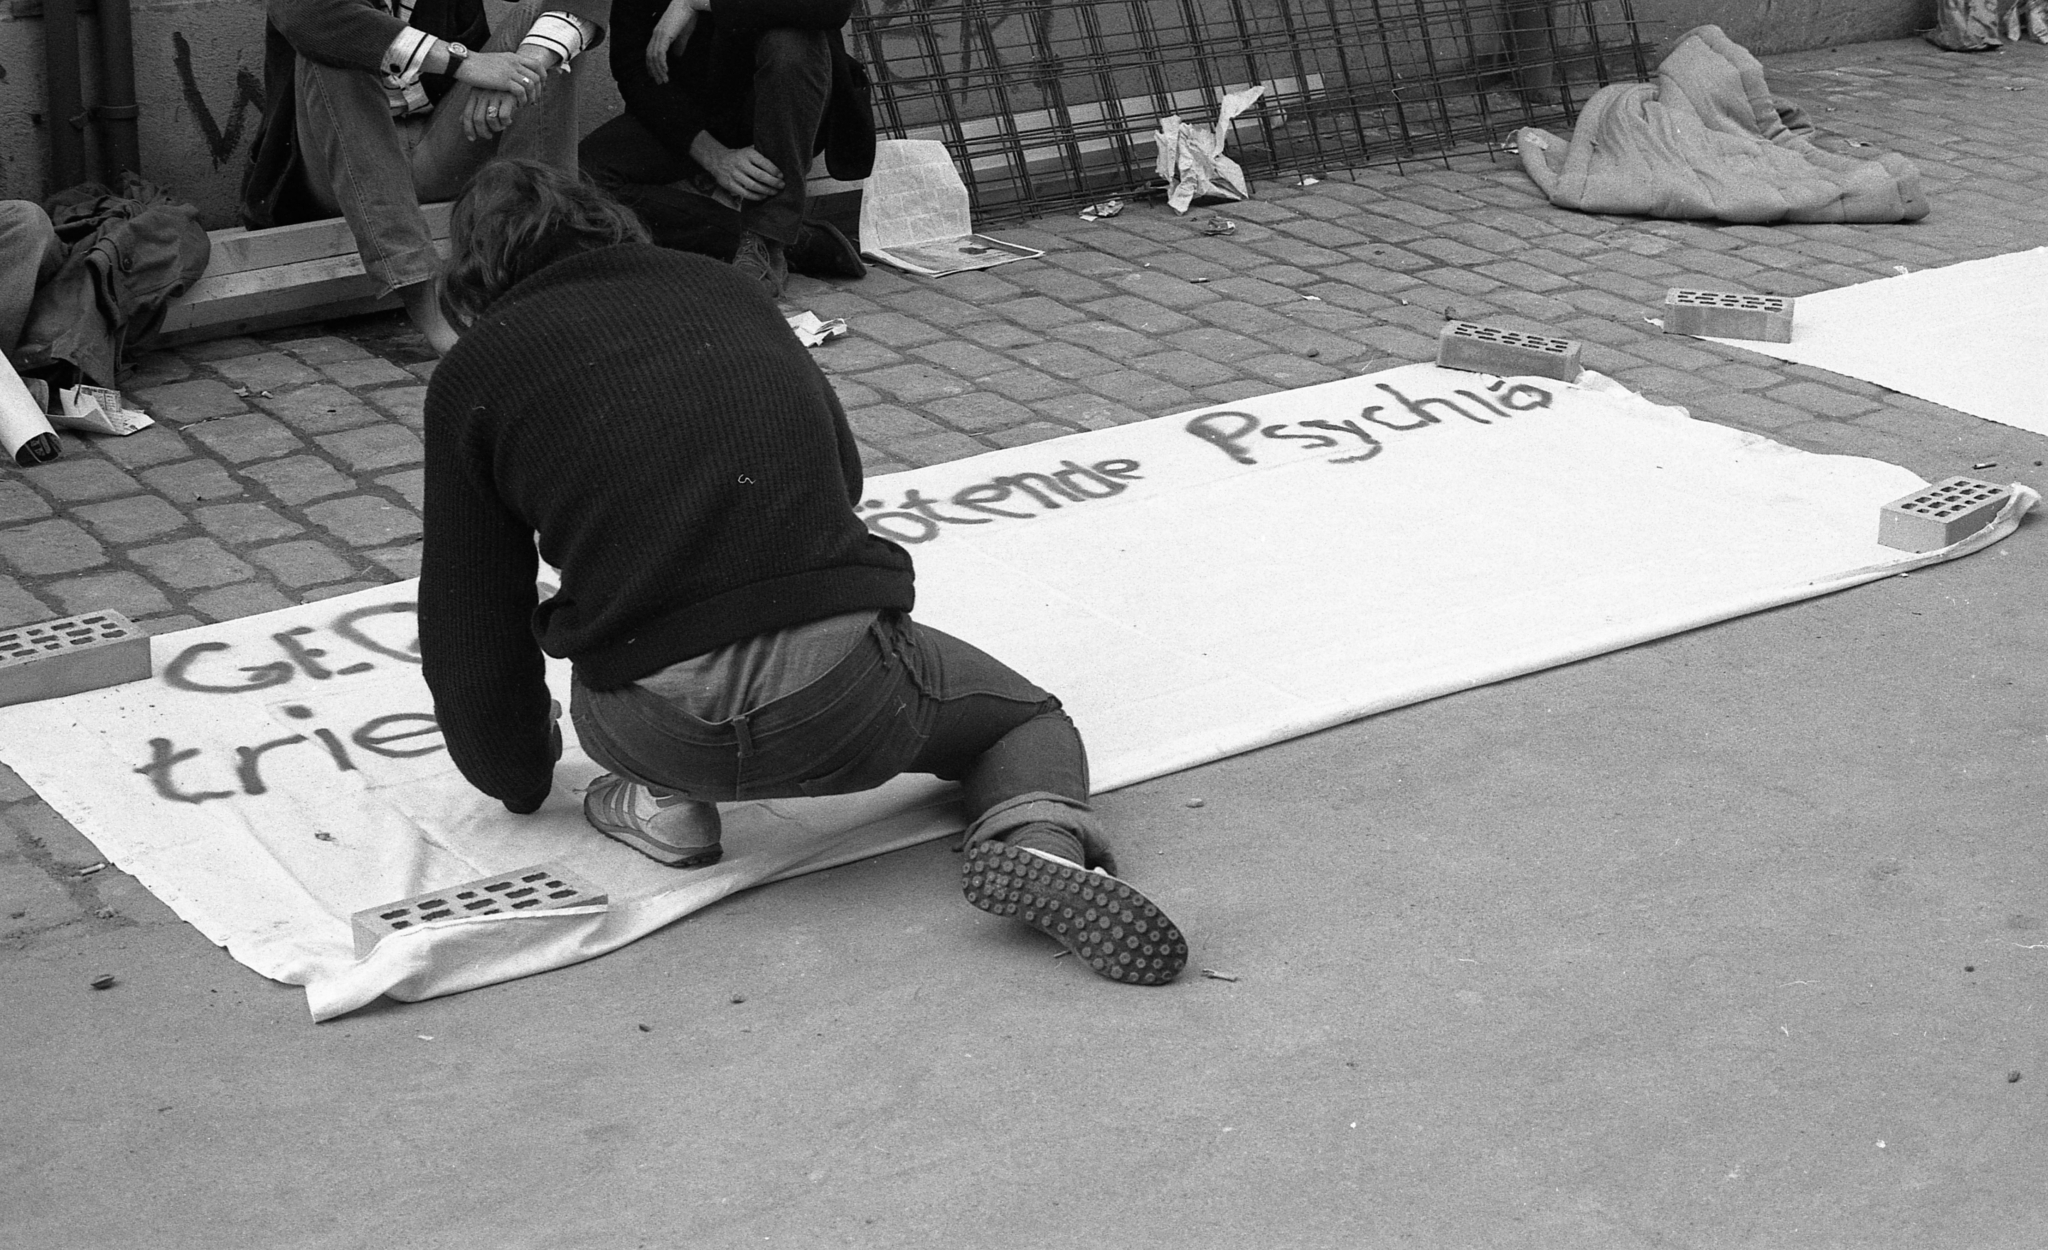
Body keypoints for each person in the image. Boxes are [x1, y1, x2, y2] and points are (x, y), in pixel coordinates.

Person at [418, 160, 1188, 985]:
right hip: (850, 697)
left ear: (473, 276)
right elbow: (840, 475)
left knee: (615, 634)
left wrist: (520, 778)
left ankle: (666, 802)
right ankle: (1040, 846)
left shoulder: (475, 374)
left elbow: (471, 620)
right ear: (607, 223)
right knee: (1023, 722)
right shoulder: (725, 290)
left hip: (651, 720)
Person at [241, 0, 609, 353]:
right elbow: (305, 13)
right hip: (339, 164)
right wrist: (465, 63)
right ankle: (433, 315)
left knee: (542, 23)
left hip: (440, 147)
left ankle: (552, 272)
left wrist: (522, 69)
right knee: (332, 45)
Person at [578, 0, 873, 295]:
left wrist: (698, 3)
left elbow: (831, 8)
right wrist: (714, 156)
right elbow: (632, 67)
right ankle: (795, 239)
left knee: (791, 44)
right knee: (580, 182)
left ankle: (767, 237)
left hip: (779, 104)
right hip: (690, 114)